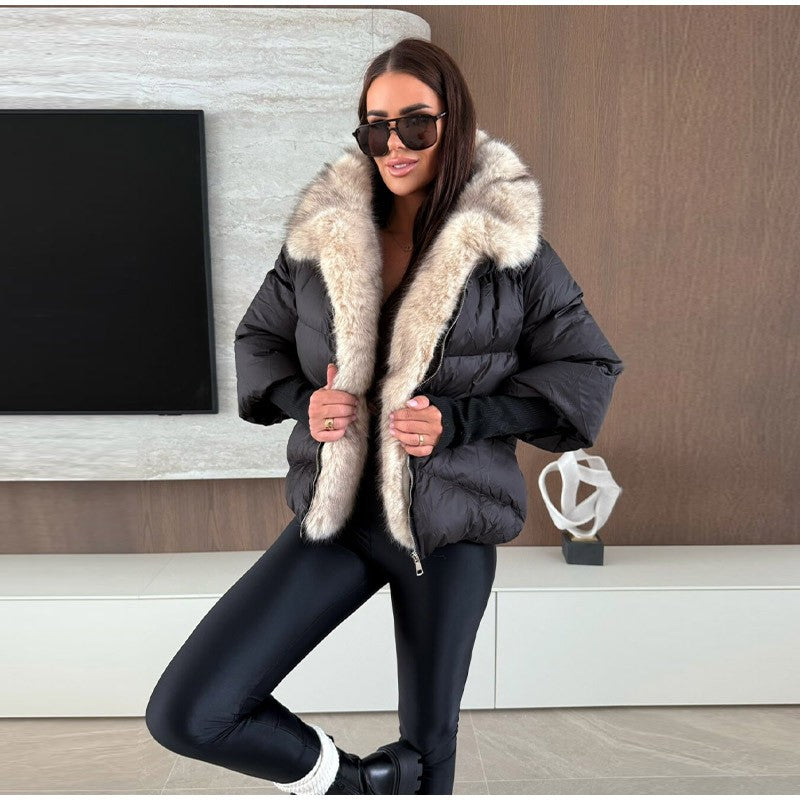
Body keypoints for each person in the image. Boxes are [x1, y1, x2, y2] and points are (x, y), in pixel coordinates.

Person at [145, 37, 625, 795]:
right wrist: (306, 402)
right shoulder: (322, 237)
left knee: (431, 759)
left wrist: (461, 420)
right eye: (377, 127)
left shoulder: (511, 251)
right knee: (190, 712)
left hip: (449, 529)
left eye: (416, 124)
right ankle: (363, 784)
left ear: (454, 122)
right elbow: (259, 339)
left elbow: (588, 368)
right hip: (337, 519)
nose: (394, 145)